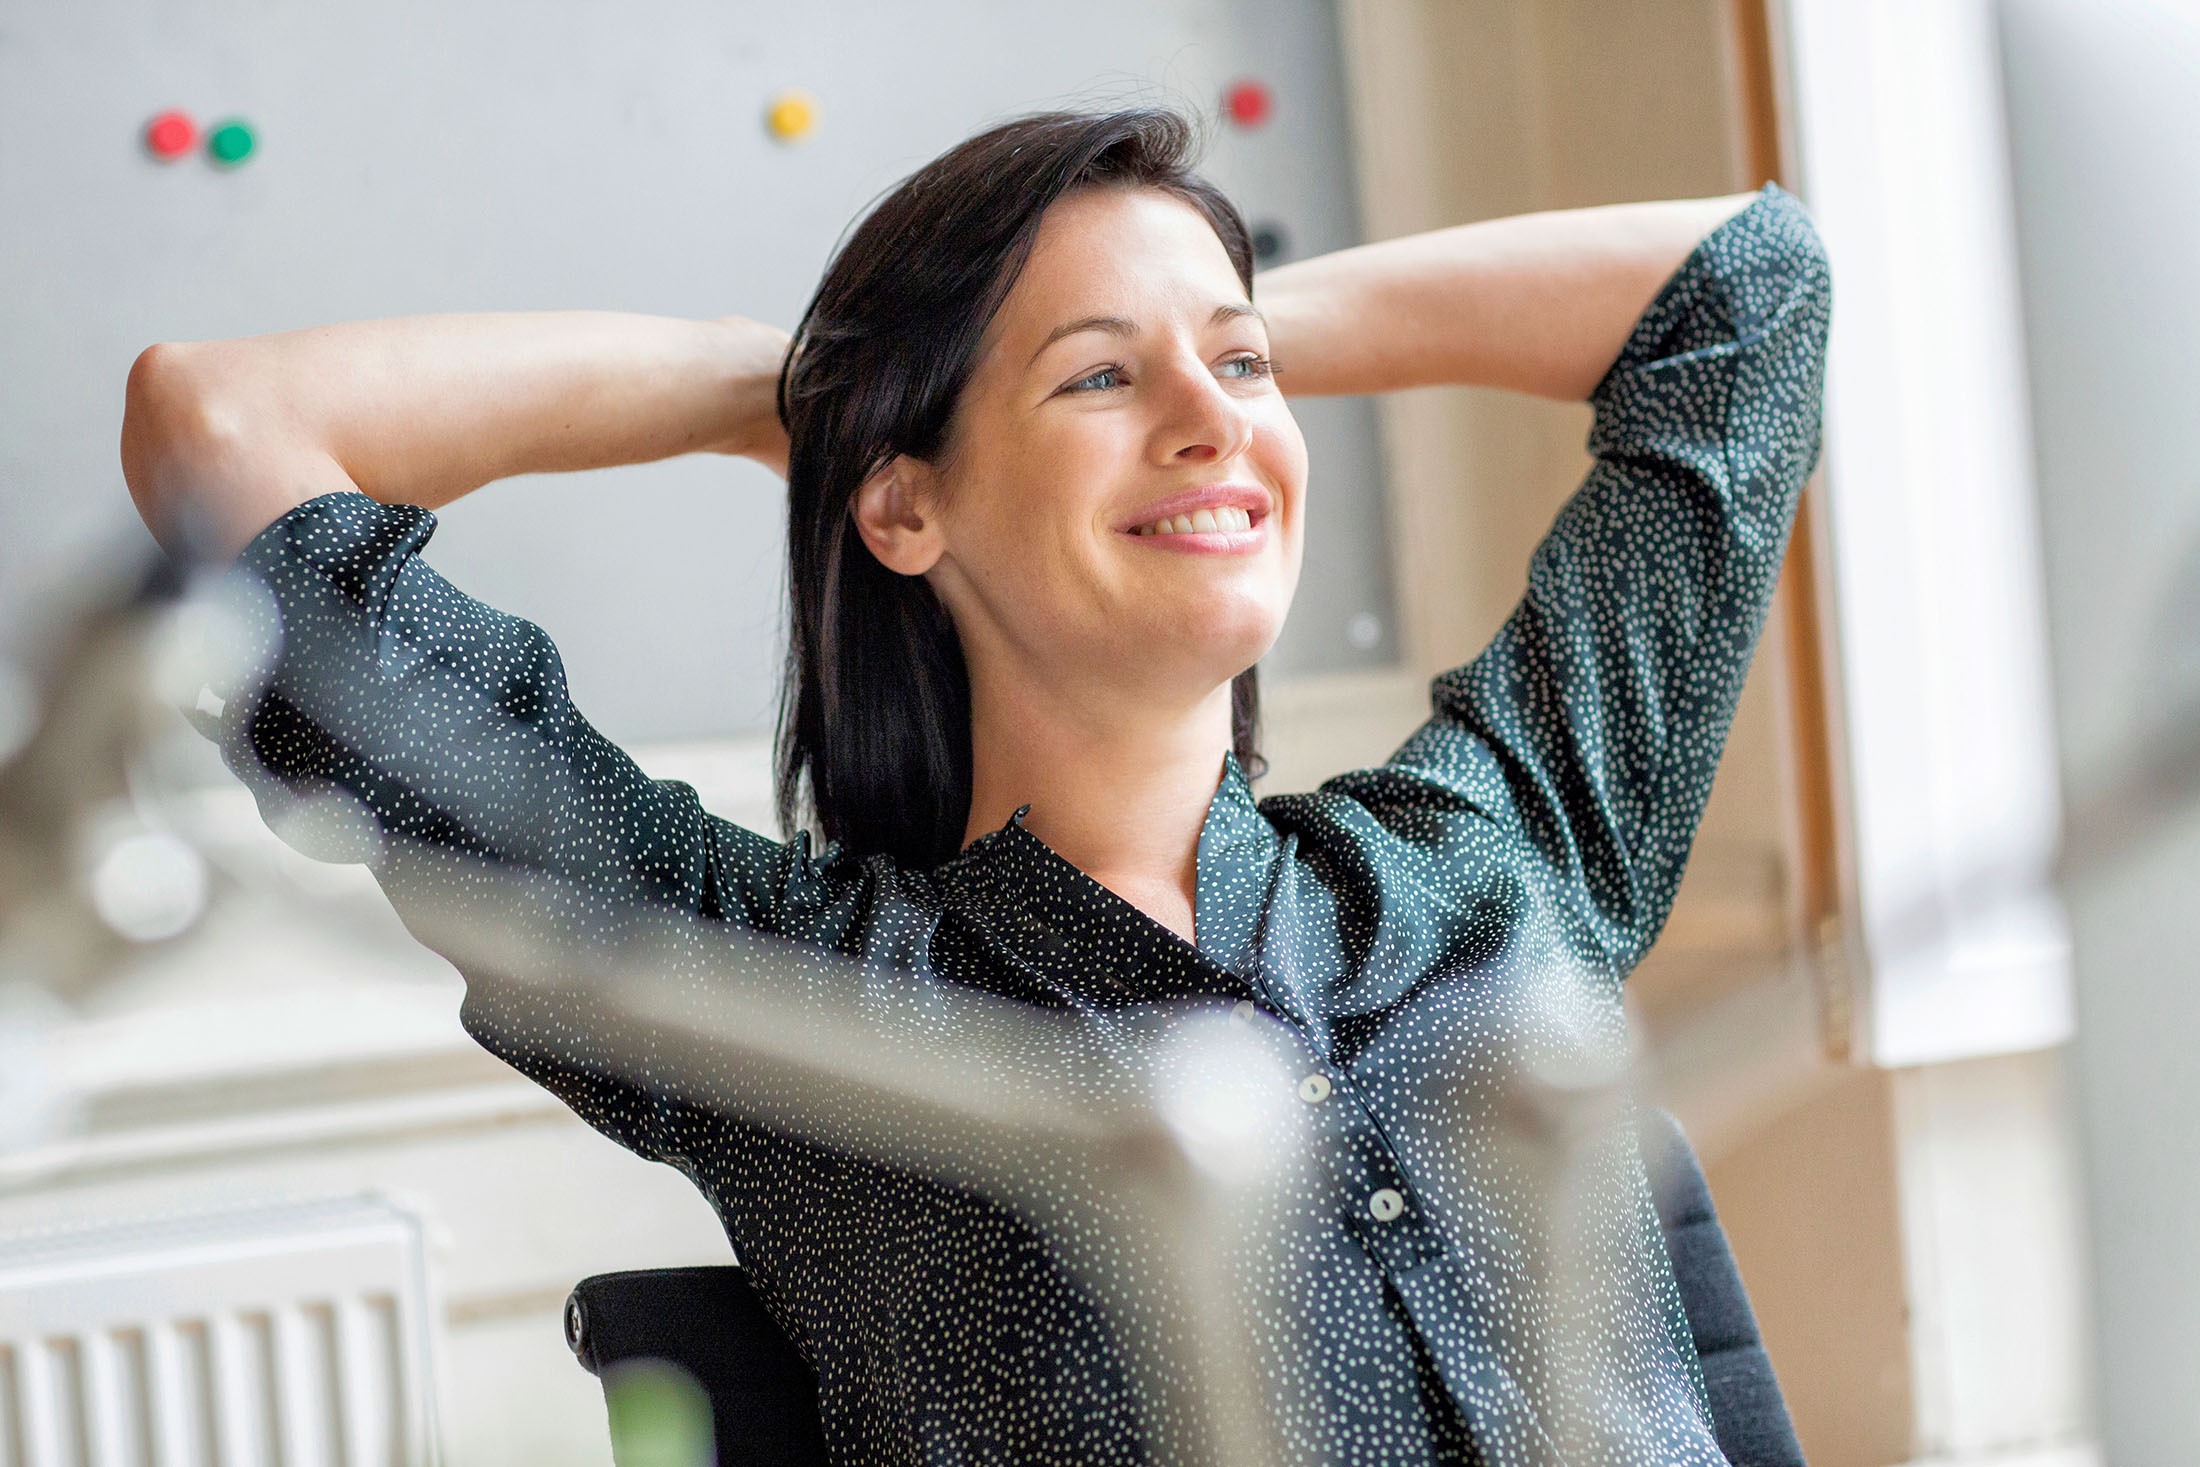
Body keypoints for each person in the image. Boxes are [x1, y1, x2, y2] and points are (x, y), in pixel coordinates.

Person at [122, 108, 1828, 1466]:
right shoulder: (788, 1006)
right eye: (1099, 378)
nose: (1214, 422)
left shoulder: (1493, 851)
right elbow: (218, 426)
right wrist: (794, 382)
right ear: (903, 509)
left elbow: (1749, 288)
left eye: (1244, 375)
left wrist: (1186, 331)